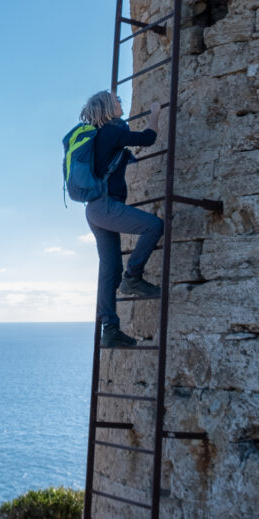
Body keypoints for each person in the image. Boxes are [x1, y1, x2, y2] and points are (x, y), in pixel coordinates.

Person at [80, 90, 164, 348]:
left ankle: (110, 328)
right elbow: (148, 138)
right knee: (154, 225)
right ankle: (134, 277)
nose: (121, 103)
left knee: (109, 269)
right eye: (117, 100)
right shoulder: (111, 131)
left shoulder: (94, 138)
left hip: (94, 210)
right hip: (106, 206)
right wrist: (155, 114)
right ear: (107, 107)